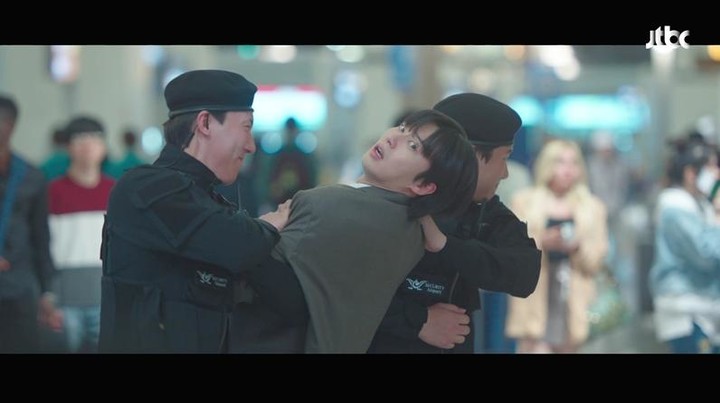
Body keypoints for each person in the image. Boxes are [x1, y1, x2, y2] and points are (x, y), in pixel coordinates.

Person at [233, 108, 478, 353]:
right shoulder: (411, 230)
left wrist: (262, 228)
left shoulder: (325, 204)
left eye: (413, 145)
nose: (393, 138)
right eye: (402, 128)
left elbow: (247, 273)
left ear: (423, 185)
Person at [98, 70, 291, 353]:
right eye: (246, 127)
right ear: (205, 123)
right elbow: (241, 245)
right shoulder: (146, 189)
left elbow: (285, 294)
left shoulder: (207, 201)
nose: (250, 146)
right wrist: (271, 224)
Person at [368, 93, 542, 354]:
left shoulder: (482, 211)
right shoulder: (395, 197)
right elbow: (345, 290)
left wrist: (446, 246)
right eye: (504, 158)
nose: (505, 173)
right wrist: (420, 320)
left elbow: (524, 273)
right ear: (471, 156)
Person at [505, 139, 609, 353]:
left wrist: (577, 247)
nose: (567, 169)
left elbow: (597, 259)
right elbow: (511, 251)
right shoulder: (525, 202)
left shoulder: (592, 207)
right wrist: (541, 242)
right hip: (536, 296)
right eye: (560, 162)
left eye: (573, 162)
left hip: (574, 298)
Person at [47, 116, 115, 353]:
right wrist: (49, 295)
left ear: (104, 147)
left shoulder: (115, 191)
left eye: (95, 139)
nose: (88, 146)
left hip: (105, 298)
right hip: (65, 300)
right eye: (80, 140)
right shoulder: (52, 192)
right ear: (68, 147)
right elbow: (44, 246)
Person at [0, 94, 61, 353]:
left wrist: (47, 292)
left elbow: (40, 237)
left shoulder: (31, 177)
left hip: (18, 287)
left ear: (11, 125)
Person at [650, 137, 720, 353]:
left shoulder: (698, 205)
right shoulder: (675, 208)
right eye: (711, 167)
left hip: (702, 303)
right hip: (685, 306)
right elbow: (707, 254)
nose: (717, 174)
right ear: (691, 173)